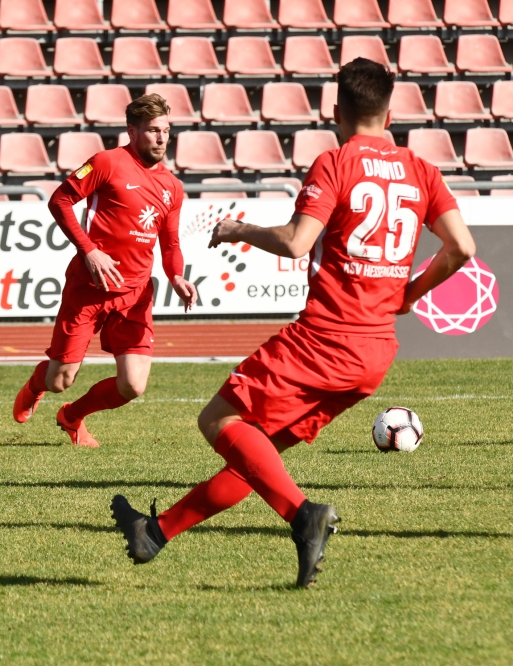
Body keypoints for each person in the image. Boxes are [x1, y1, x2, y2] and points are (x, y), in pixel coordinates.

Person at [110, 58, 476, 588]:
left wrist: (240, 228)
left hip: (325, 338)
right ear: (390, 112)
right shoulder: (422, 170)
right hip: (374, 354)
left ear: (336, 111)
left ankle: (304, 516)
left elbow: (297, 241)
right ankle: (156, 532)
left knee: (216, 422)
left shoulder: (337, 161)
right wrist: (408, 293)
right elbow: (461, 247)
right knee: (257, 458)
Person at [11, 93, 199, 447]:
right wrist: (90, 250)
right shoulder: (106, 162)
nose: (162, 138)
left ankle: (72, 416)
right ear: (132, 130)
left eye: (166, 130)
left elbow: (170, 244)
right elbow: (60, 200)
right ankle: (36, 386)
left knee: (133, 385)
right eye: (154, 130)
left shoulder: (173, 186)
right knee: (59, 379)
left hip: (135, 294)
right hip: (89, 288)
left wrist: (176, 276)